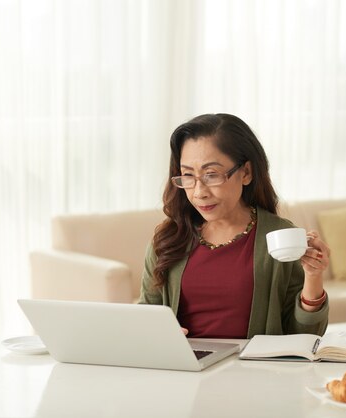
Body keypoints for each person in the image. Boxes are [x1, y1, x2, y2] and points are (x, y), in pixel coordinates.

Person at [139, 113, 330, 338]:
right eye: (188, 175)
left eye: (211, 175)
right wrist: (158, 333)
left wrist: (313, 276)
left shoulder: (278, 236)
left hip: (253, 370)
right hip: (185, 367)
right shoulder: (169, 238)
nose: (199, 192)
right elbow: (147, 315)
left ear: (246, 173)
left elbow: (305, 335)